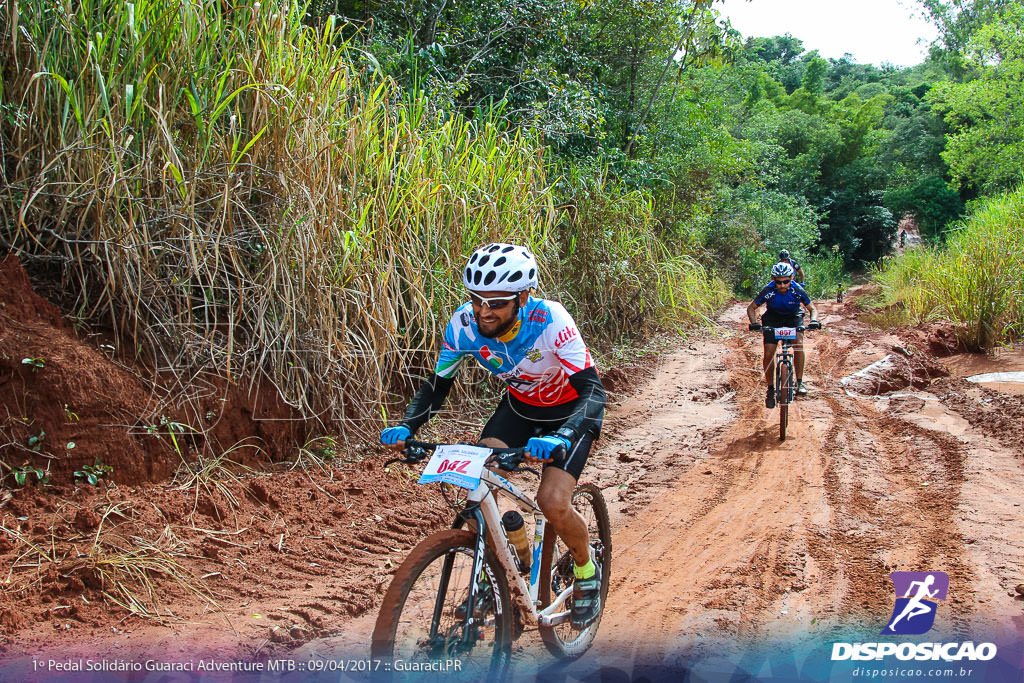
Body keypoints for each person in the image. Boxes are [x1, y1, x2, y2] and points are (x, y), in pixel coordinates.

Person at [380, 243, 607, 628]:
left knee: (551, 501)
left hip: (570, 412)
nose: (484, 312)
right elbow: (437, 386)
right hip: (518, 410)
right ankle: (503, 563)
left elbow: (593, 391)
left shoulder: (550, 320)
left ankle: (587, 574)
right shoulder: (464, 324)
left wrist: (564, 434)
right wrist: (408, 425)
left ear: (522, 297)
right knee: (475, 484)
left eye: (497, 303)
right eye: (476, 300)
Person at [746, 262, 820, 407]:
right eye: (778, 282)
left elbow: (812, 309)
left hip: (793, 317)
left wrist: (813, 321)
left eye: (786, 281)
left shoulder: (797, 289)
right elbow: (751, 308)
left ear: (791, 279)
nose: (782, 286)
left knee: (798, 343)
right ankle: (770, 389)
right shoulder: (769, 289)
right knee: (768, 352)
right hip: (773, 318)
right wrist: (754, 323)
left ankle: (799, 383)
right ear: (774, 280)